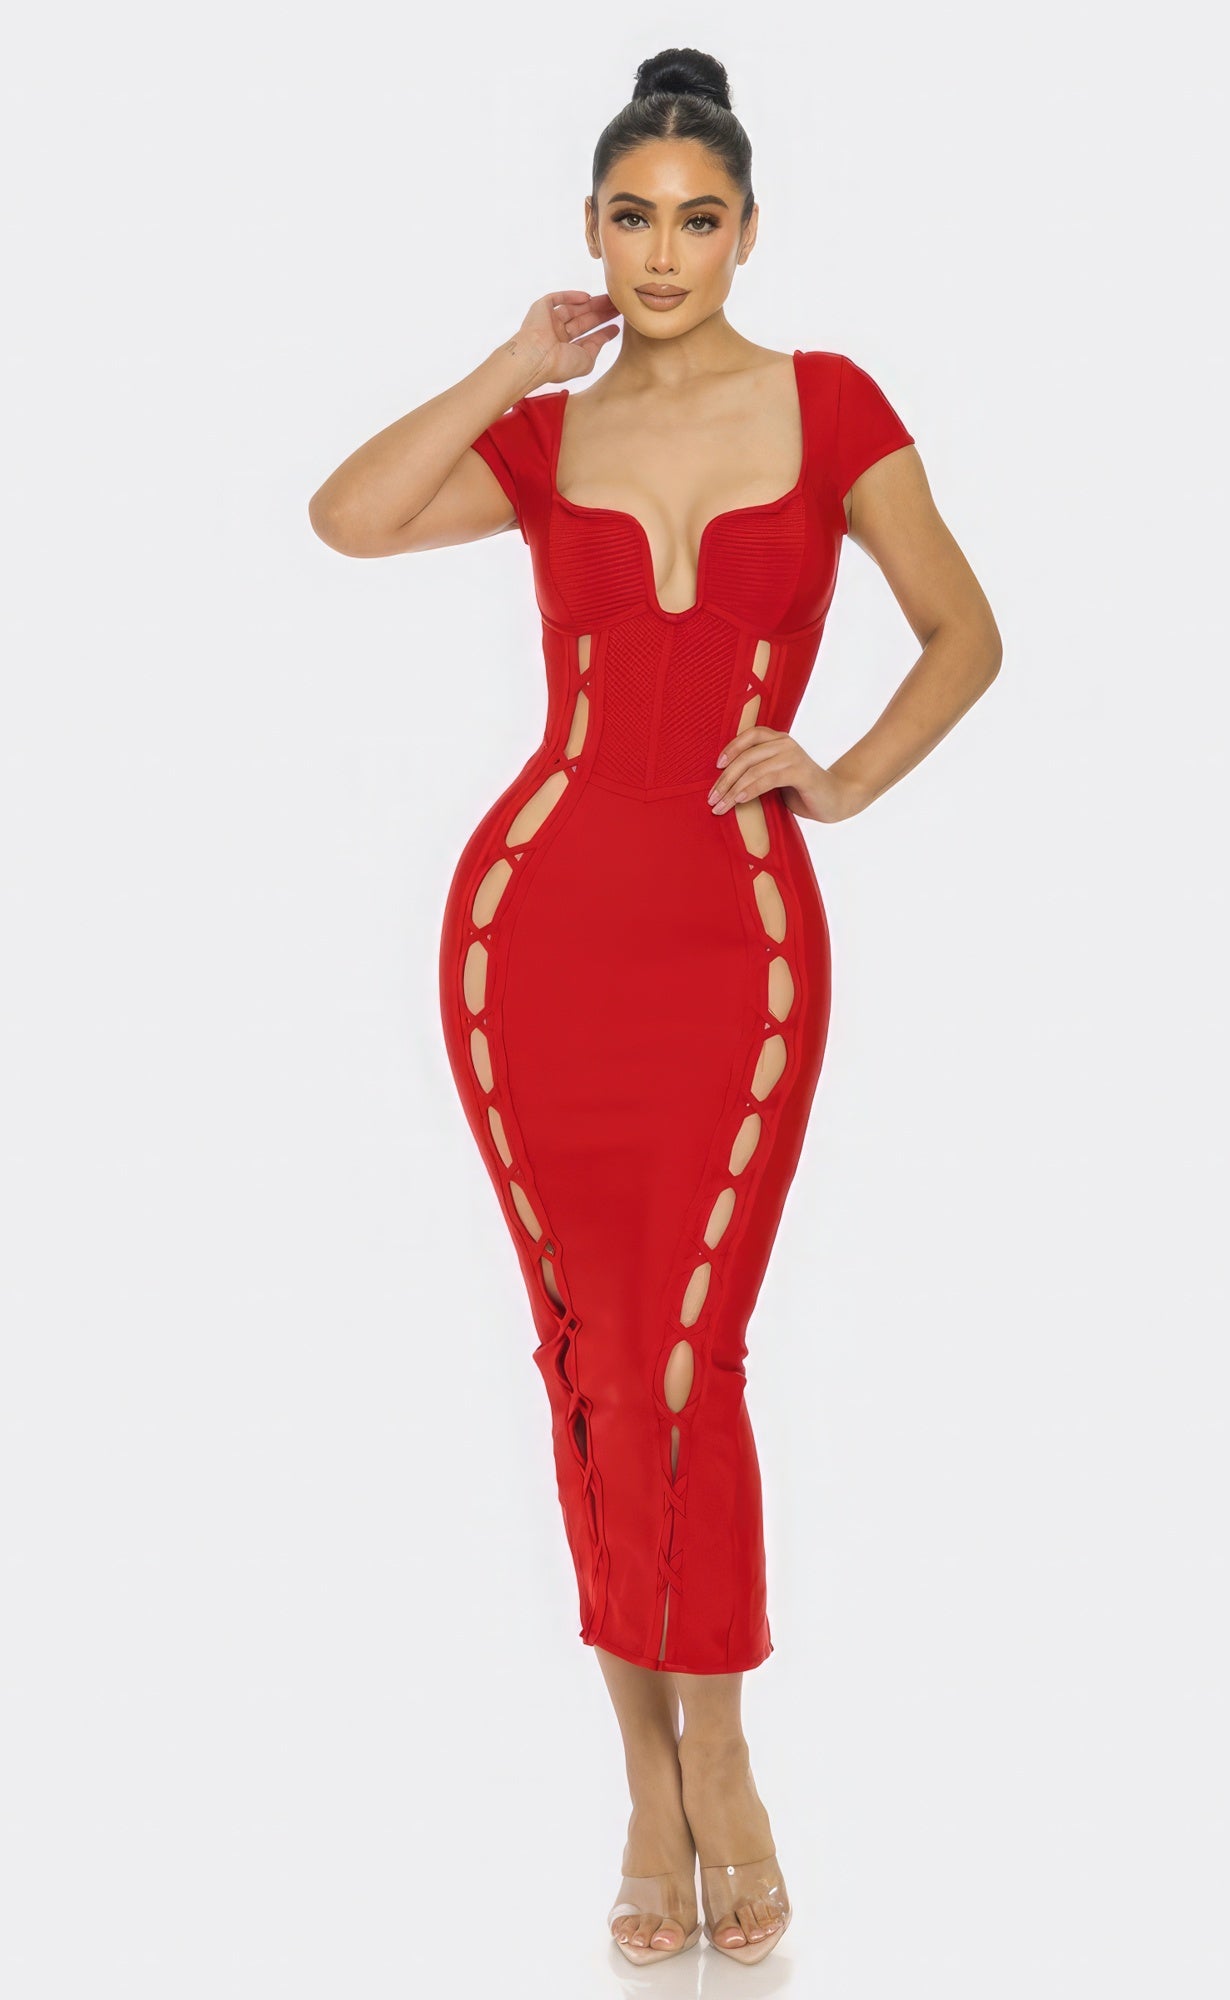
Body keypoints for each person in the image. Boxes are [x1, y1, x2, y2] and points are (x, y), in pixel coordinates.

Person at [308, 42, 1001, 1968]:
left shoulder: (832, 402)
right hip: (530, 926)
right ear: (591, 232)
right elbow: (347, 517)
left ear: (750, 230)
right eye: (633, 218)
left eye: (699, 219)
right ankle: (644, 1776)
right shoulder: (546, 438)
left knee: (691, 1355)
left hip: (736, 937)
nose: (665, 252)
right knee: (592, 1358)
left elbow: (965, 633)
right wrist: (511, 365)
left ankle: (727, 1754)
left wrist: (839, 779)